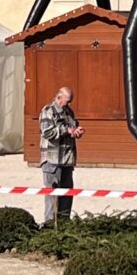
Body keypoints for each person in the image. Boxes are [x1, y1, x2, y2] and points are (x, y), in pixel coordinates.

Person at [39, 86, 84, 224]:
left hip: (67, 160)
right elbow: (47, 132)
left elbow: (72, 128)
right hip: (52, 161)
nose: (69, 104)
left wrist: (77, 131)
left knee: (67, 196)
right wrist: (67, 130)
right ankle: (50, 227)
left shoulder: (69, 112)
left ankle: (65, 226)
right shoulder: (48, 111)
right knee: (52, 197)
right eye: (68, 101)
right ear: (59, 98)